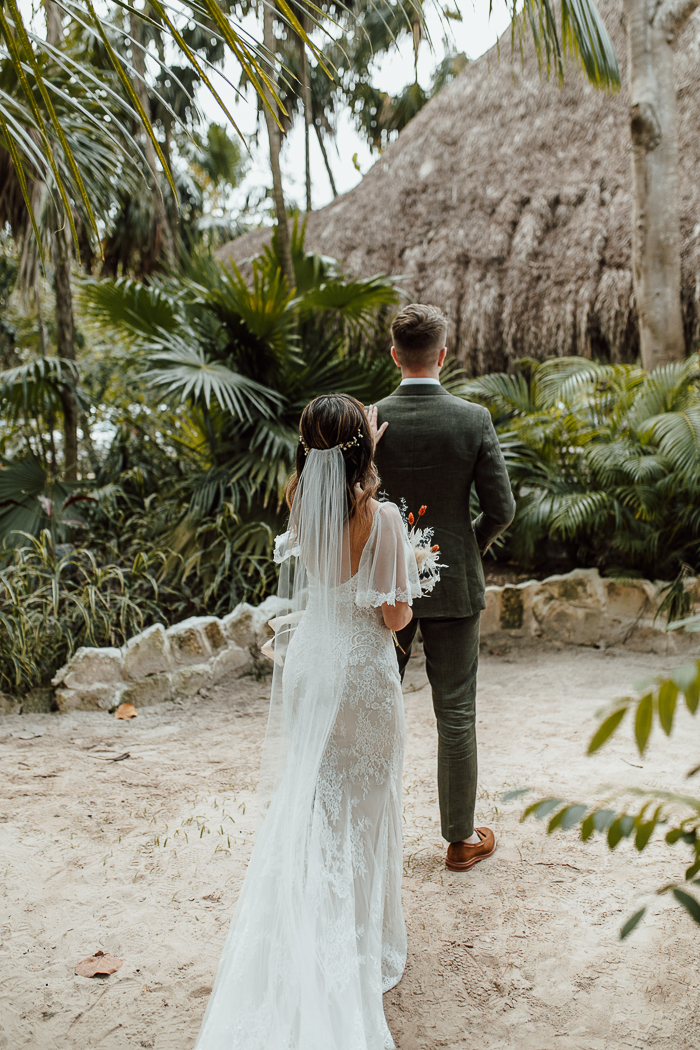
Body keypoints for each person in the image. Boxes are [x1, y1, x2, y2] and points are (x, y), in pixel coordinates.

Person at [193, 394, 422, 1050]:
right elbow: (395, 618)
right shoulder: (381, 519)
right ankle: (359, 945)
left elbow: (331, 490)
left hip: (312, 665)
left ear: (307, 447)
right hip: (361, 680)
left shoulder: (298, 495)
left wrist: (357, 442)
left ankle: (311, 931)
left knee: (320, 811)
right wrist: (411, 567)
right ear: (364, 451)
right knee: (369, 811)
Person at [370, 304, 516, 873]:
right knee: (455, 713)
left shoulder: (370, 419)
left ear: (394, 355)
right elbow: (501, 509)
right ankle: (459, 841)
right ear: (443, 354)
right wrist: (463, 550)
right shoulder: (472, 418)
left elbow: (356, 509)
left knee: (376, 708)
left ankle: (374, 841)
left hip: (385, 593)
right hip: (454, 585)